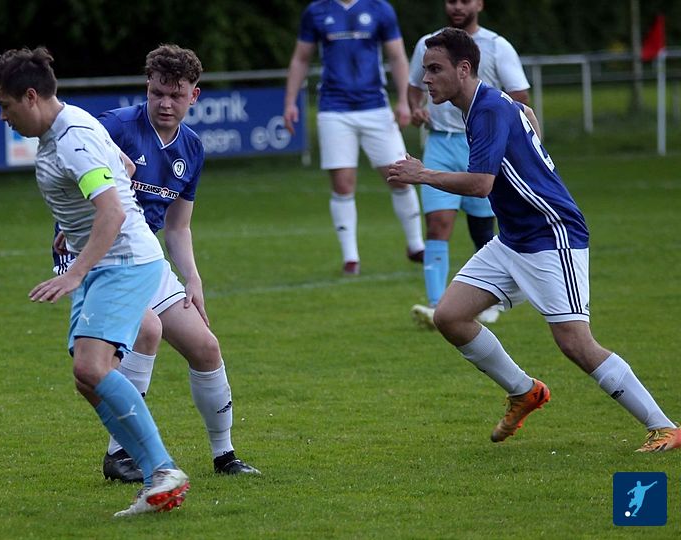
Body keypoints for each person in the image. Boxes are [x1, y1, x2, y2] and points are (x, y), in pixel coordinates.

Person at [386, 28, 681, 452]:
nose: (426, 78)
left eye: (434, 69)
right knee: (449, 316)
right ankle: (524, 392)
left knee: (575, 342)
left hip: (551, 235)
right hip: (514, 238)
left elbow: (481, 185)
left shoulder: (487, 109)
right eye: (424, 70)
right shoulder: (484, 104)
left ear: (464, 69)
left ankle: (664, 427)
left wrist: (423, 174)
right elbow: (525, 114)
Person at [0, 46, 189, 516]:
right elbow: (126, 169)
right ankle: (155, 474)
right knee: (87, 377)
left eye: (6, 105)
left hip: (124, 261)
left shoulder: (72, 137)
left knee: (93, 368)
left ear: (31, 96)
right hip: (104, 260)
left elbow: (113, 211)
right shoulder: (70, 124)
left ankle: (161, 470)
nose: (3, 116)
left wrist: (75, 270)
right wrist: (74, 225)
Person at [53, 44, 259, 483]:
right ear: (147, 87)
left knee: (206, 348)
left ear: (194, 96)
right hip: (98, 254)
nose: (165, 103)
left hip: (146, 256)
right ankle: (121, 454)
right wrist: (69, 226)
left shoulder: (192, 148)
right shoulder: (114, 127)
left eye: (176, 95)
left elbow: (178, 226)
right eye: (157, 93)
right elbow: (71, 175)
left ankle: (225, 456)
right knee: (147, 329)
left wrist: (193, 278)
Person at [408, 0, 530, 328]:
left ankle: (492, 299)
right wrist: (415, 108)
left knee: (482, 228)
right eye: (451, 0)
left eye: (465, 0)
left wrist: (504, 130)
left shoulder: (497, 46)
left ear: (479, 3)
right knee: (438, 224)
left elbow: (521, 98)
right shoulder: (428, 44)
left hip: (479, 142)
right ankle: (436, 305)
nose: (457, 6)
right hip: (439, 142)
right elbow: (413, 88)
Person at [284, 0, 424, 275]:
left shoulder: (380, 8)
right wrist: (290, 102)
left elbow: (397, 56)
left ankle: (416, 245)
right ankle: (351, 258)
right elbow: (301, 58)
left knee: (400, 174)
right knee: (342, 183)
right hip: (333, 109)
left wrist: (404, 101)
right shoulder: (317, 11)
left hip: (376, 107)